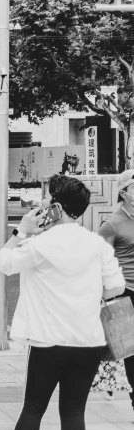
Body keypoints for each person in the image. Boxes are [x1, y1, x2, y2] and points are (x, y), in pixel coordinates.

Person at [0, 174, 125, 430]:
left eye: (46, 198)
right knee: (74, 412)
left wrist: (21, 230)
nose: (42, 203)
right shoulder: (96, 244)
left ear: (56, 207)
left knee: (33, 408)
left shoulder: (39, 244)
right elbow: (116, 288)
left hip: (48, 341)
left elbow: (5, 262)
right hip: (88, 340)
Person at [97, 169, 134, 413]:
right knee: (130, 353)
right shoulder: (112, 223)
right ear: (124, 193)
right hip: (125, 293)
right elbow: (99, 260)